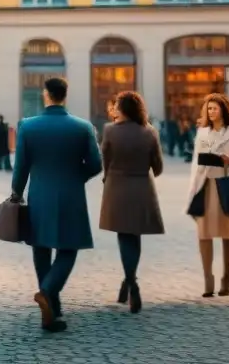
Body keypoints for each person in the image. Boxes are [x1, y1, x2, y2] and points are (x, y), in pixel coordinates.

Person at [10, 77, 102, 333]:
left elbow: (21, 167)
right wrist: (76, 177)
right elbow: (96, 164)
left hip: (39, 195)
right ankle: (52, 304)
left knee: (41, 248)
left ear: (46, 95)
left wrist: (17, 193)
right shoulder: (83, 127)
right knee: (69, 247)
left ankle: (48, 296)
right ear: (65, 95)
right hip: (72, 195)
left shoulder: (28, 126)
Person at [99, 91, 165, 314]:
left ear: (123, 109)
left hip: (116, 188)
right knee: (134, 236)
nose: (114, 109)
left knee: (123, 235)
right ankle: (130, 282)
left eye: (117, 105)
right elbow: (158, 168)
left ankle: (130, 282)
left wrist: (109, 176)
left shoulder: (109, 131)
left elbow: (104, 161)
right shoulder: (150, 132)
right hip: (141, 188)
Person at [186, 92, 229, 298]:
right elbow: (195, 164)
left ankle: (227, 276)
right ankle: (208, 279)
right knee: (204, 234)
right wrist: (191, 192)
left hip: (228, 187)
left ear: (224, 110)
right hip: (205, 186)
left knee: (228, 234)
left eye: (215, 108)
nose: (211, 112)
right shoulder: (203, 132)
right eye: (209, 108)